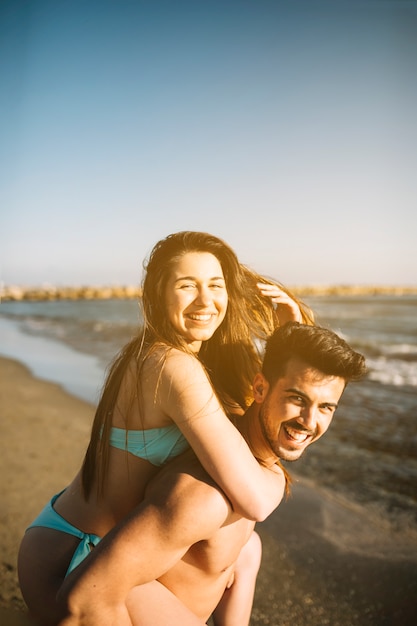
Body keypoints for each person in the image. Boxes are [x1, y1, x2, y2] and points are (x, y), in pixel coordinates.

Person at [18, 232, 314, 625]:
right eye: (187, 286)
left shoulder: (179, 358)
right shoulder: (171, 366)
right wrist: (279, 468)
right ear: (158, 294)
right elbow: (256, 499)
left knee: (246, 549)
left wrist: (287, 341)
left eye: (215, 285)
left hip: (94, 546)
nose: (205, 301)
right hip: (78, 559)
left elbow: (256, 421)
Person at [56, 322, 367, 626]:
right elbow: (81, 602)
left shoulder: (251, 472)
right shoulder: (204, 497)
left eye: (326, 407)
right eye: (297, 399)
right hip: (121, 605)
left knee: (248, 549)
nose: (309, 421)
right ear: (259, 388)